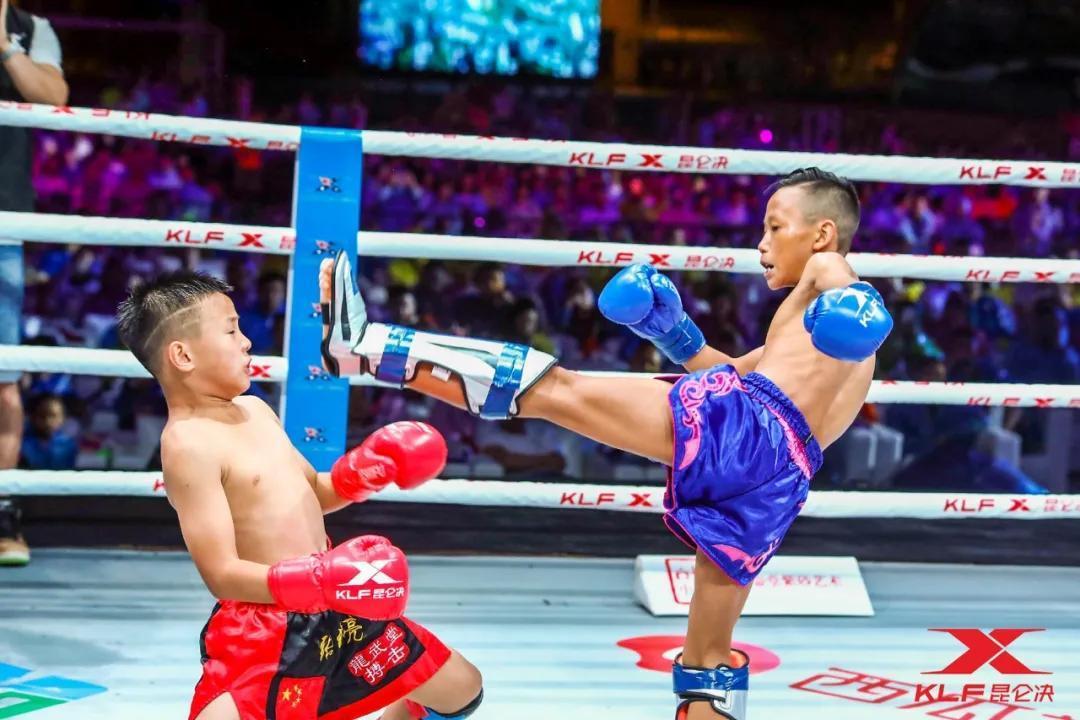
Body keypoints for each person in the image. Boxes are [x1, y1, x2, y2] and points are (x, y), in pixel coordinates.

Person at [322, 167, 892, 720]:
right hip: (778, 479)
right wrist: (674, 333)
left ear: (821, 233)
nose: (761, 243)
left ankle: (366, 348)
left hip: (750, 430)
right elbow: (735, 374)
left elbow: (839, 286)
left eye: (775, 226)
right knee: (707, 657)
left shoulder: (831, 274)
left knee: (559, 391)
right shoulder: (828, 332)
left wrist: (856, 300)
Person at [114, 272, 484, 720]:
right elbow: (222, 574)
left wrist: (366, 471)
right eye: (231, 330)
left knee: (462, 688)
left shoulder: (256, 410)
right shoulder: (188, 444)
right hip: (264, 629)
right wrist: (317, 580)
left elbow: (312, 493)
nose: (247, 342)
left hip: (337, 609)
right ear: (183, 355)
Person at [0, 0, 69, 566]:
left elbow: (52, 96)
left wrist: (3, 45)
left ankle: (2, 509)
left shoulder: (31, 29)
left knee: (2, 380)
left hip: (2, 225)